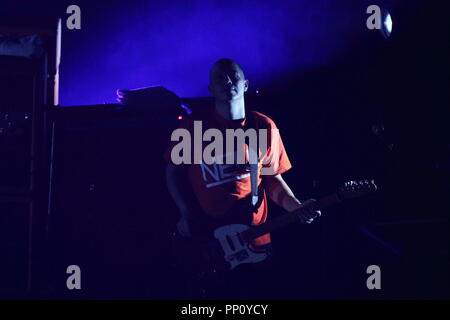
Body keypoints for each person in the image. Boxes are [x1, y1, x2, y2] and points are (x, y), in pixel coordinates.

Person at [164, 58, 321, 299]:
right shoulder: (192, 127)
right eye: (220, 78)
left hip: (256, 238)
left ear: (246, 84)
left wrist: (296, 206)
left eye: (234, 76)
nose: (227, 81)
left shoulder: (264, 126)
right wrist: (186, 213)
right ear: (210, 89)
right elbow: (173, 173)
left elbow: (272, 179)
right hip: (210, 240)